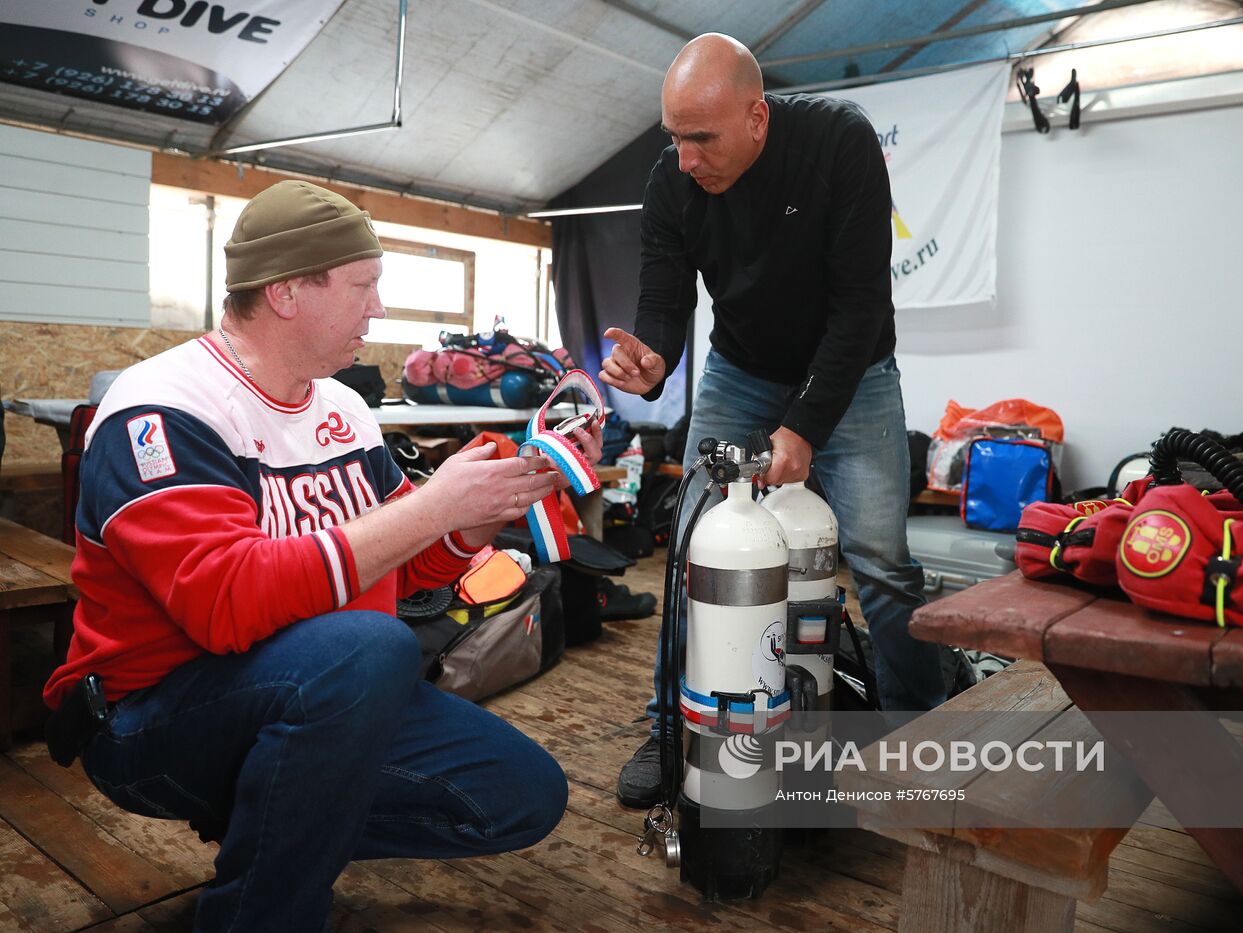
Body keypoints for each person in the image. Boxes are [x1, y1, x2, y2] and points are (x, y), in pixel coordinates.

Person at [42, 180, 599, 931]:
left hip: (320, 687)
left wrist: (475, 516)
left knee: (519, 794)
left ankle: (275, 821)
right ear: (286, 293)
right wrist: (435, 505)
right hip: (153, 714)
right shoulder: (165, 409)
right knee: (367, 647)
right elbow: (224, 605)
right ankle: (261, 913)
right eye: (364, 286)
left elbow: (401, 570)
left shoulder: (341, 408)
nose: (377, 308)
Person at [602, 34, 947, 809]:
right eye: (673, 138)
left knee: (883, 563)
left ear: (757, 117)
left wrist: (805, 424)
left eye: (702, 138)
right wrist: (652, 358)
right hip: (740, 369)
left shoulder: (839, 143)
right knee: (691, 549)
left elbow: (861, 309)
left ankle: (920, 731)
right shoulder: (673, 180)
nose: (685, 158)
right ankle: (668, 726)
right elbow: (664, 301)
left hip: (854, 373)